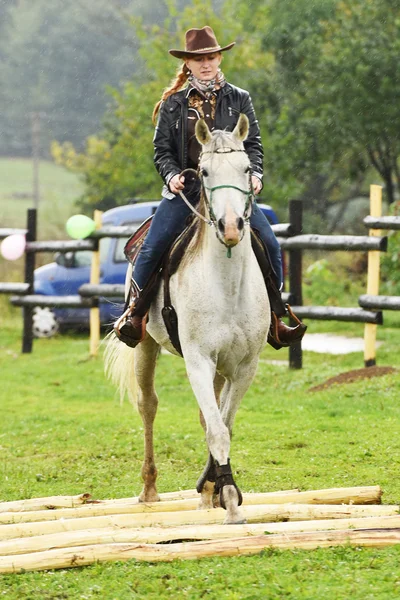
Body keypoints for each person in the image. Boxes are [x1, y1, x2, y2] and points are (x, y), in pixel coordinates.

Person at [115, 26, 306, 349]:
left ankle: (276, 317)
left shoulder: (240, 98)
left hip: (229, 191)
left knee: (271, 244)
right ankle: (135, 314)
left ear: (219, 59)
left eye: (211, 57)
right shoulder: (173, 104)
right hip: (187, 192)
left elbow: (254, 144)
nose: (206, 63)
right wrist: (171, 175)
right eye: (199, 58)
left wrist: (255, 173)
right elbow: (161, 150)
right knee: (152, 246)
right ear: (187, 63)